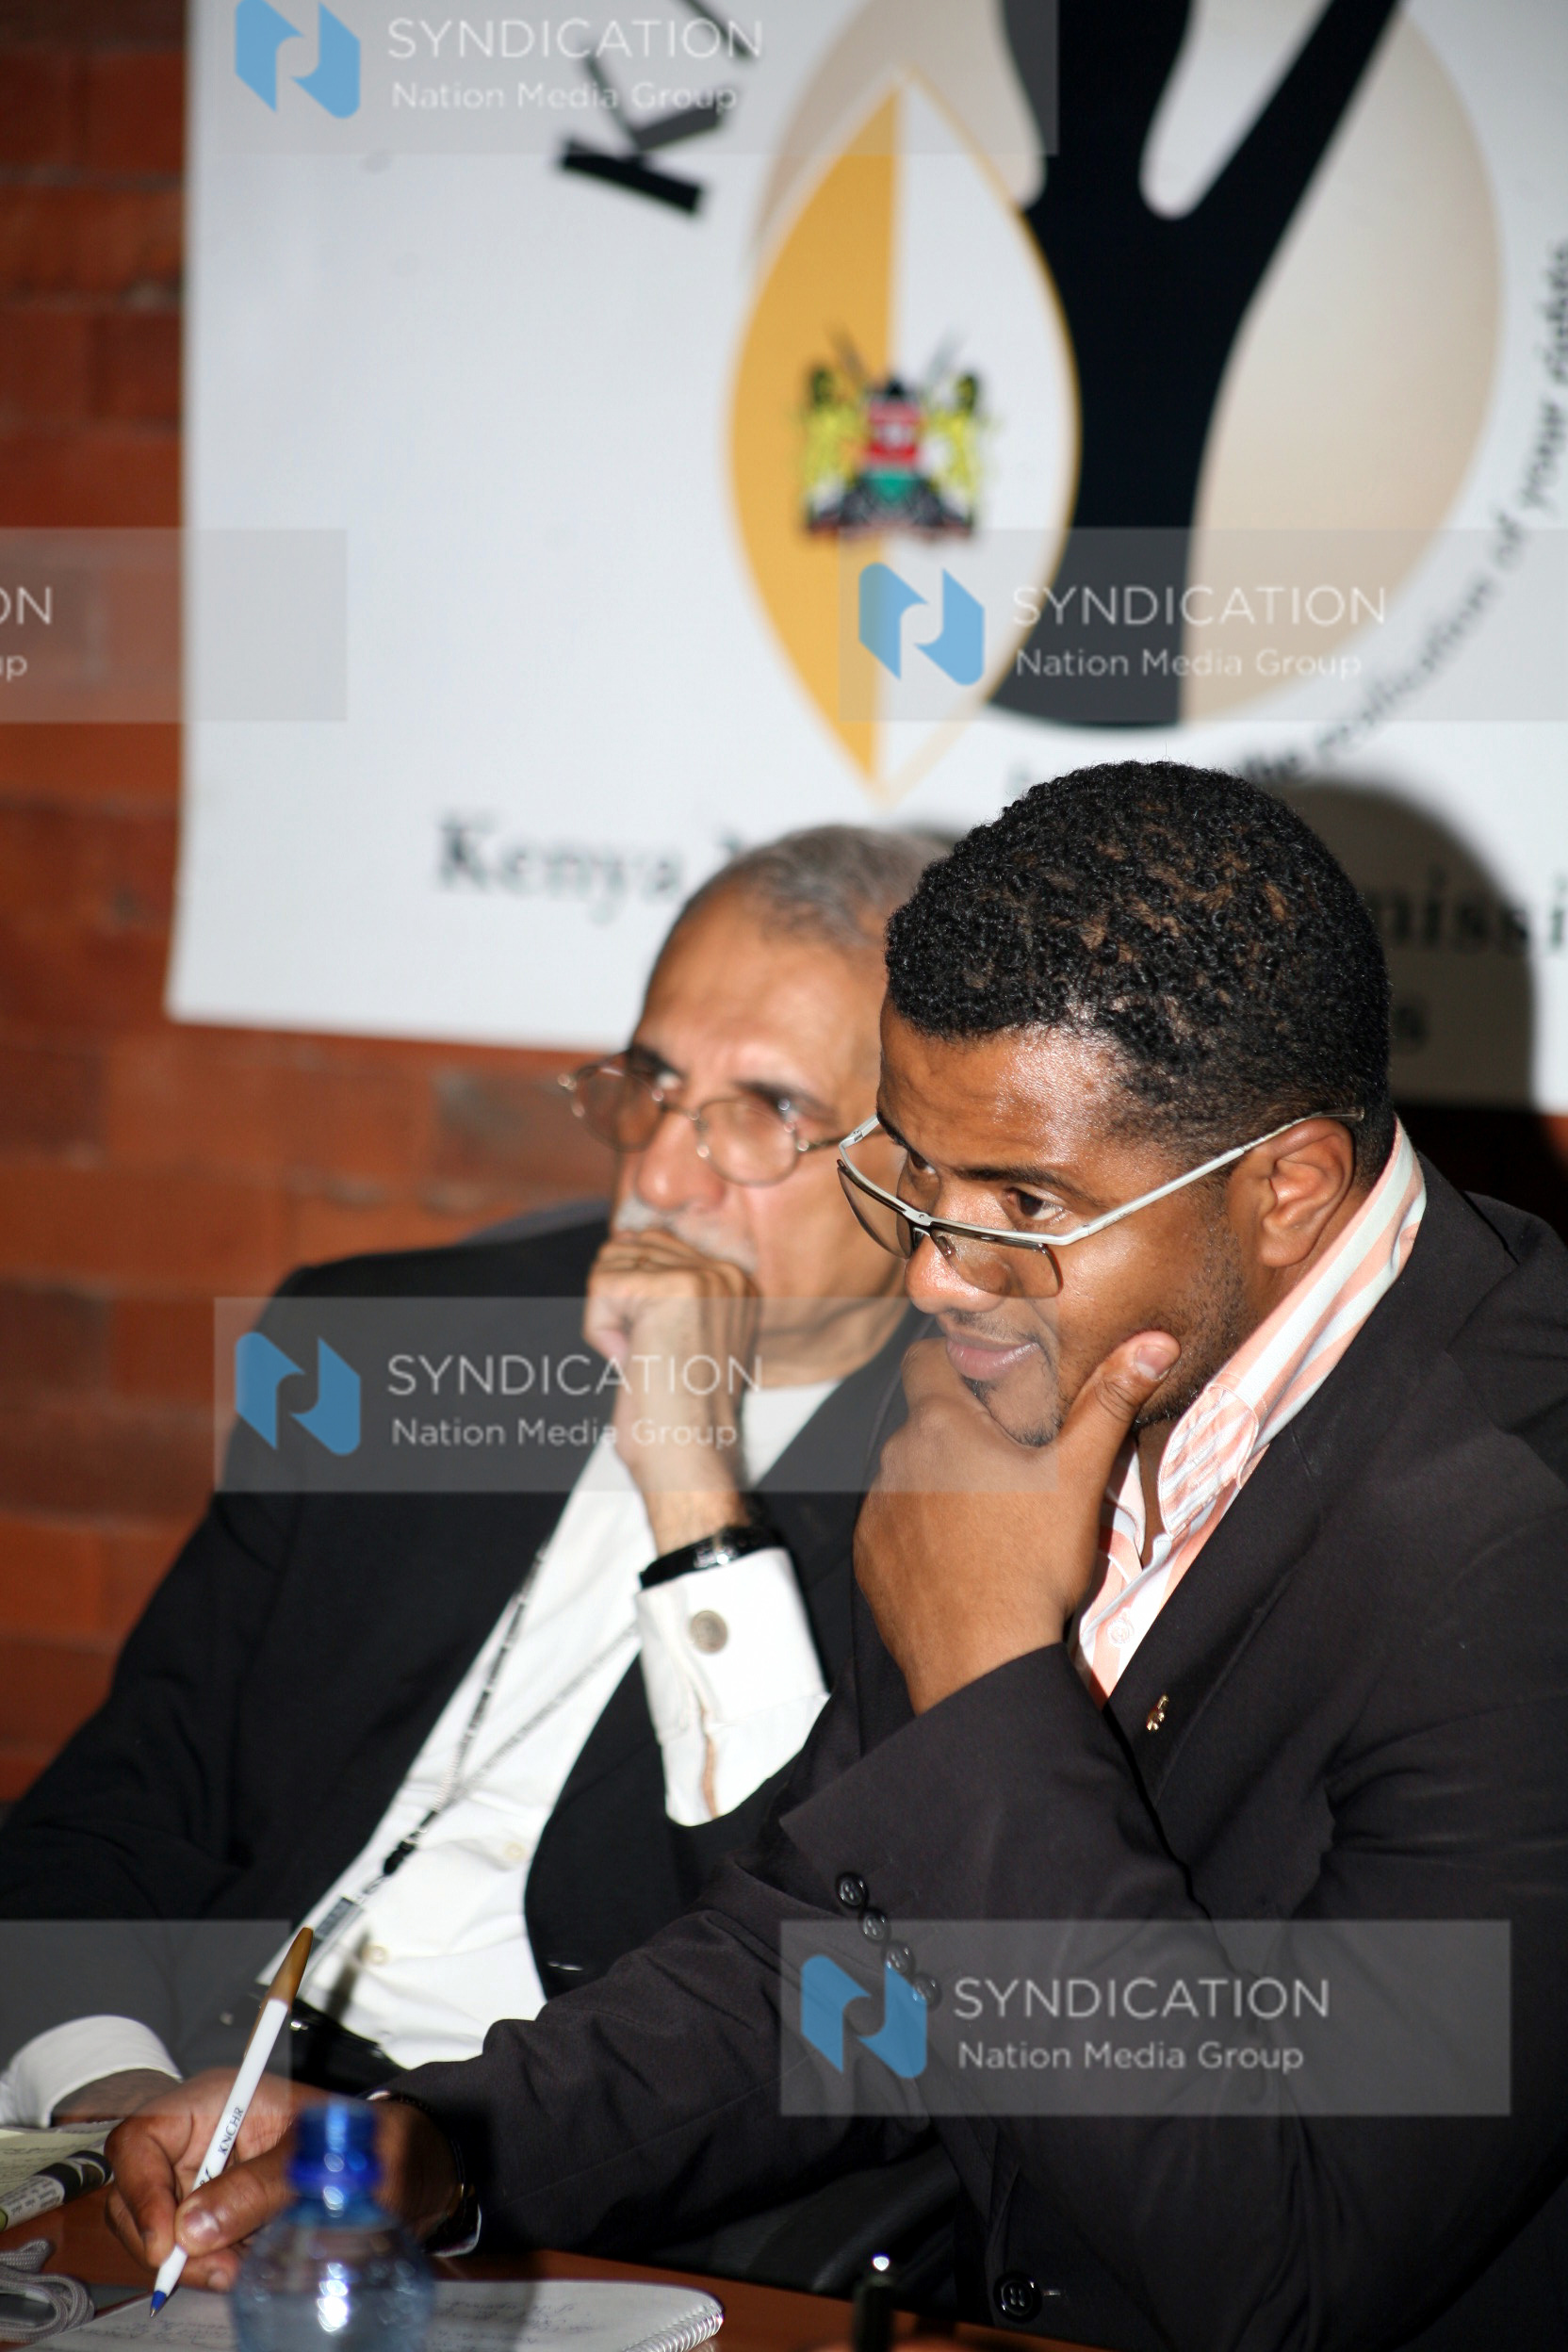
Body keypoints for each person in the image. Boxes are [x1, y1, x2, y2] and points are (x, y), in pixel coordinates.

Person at [103, 766, 1568, 2349]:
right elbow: (830, 1967)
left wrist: (989, 1678)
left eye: (1021, 1200)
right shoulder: (1040, 1340)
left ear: (1289, 1190)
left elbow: (1279, 2270)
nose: (936, 1277)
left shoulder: (1516, 1542)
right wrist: (445, 2151)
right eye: (915, 1175)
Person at [0, 825, 937, 2133]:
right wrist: (115, 2103)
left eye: (766, 1115)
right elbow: (118, 1803)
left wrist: (690, 1490)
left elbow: (834, 1983)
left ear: (921, 1166)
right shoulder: (386, 1352)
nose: (660, 1175)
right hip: (187, 2090)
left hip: (553, 2185)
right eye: (654, 1086)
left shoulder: (989, 1482)